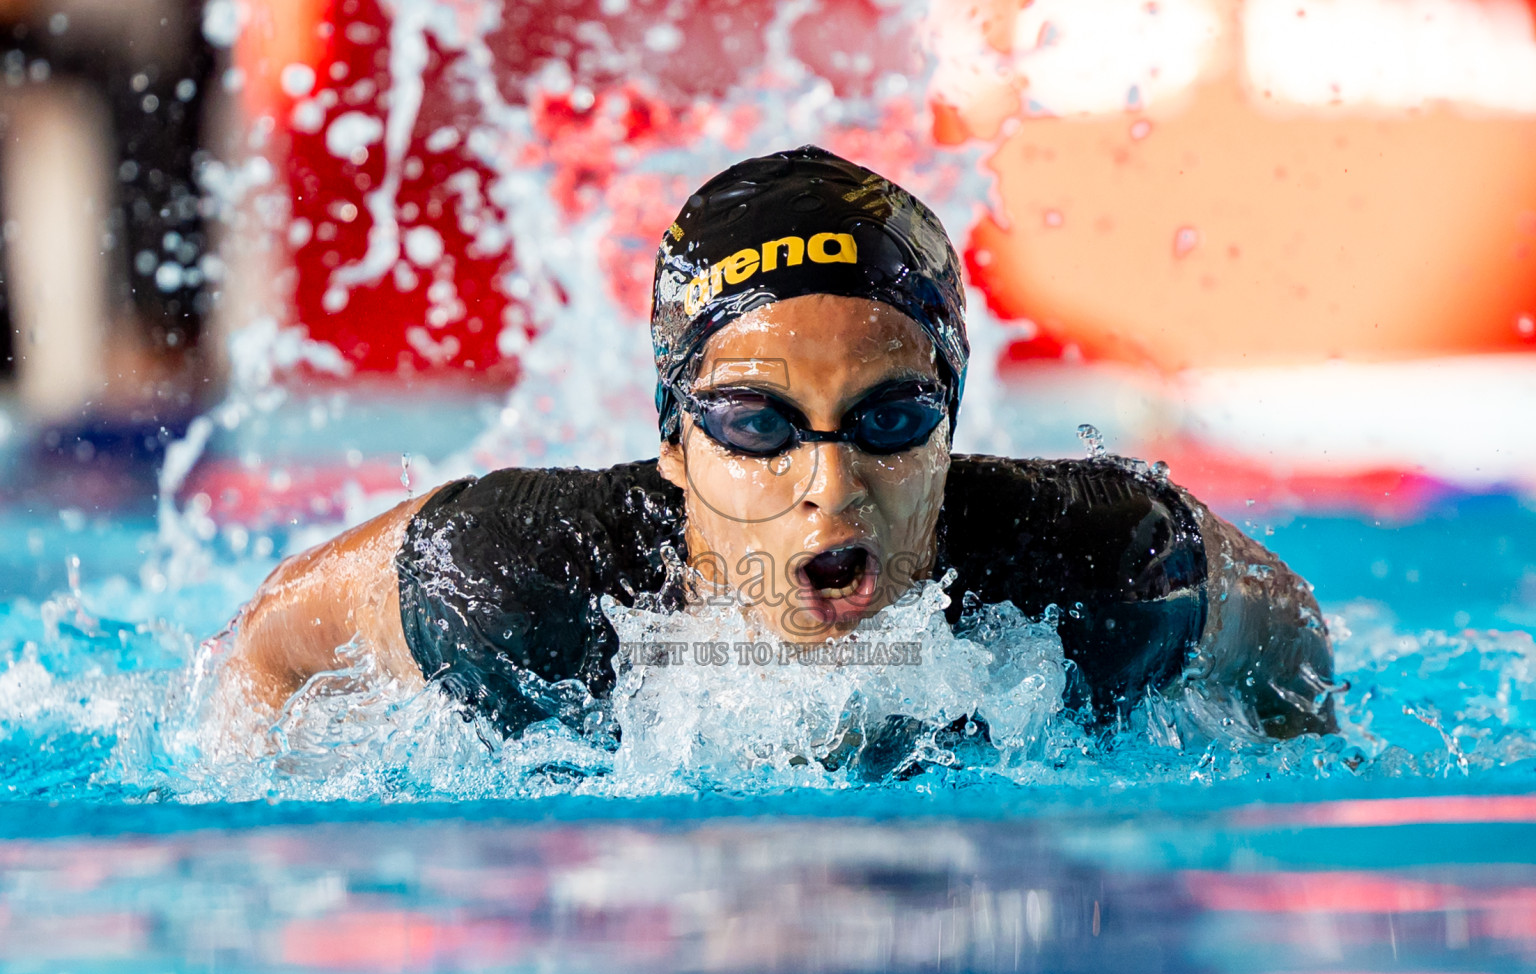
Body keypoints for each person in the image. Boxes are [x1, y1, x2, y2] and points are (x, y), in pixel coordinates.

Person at [225, 146, 1335, 771]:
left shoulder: (1100, 567)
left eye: (892, 419)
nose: (832, 485)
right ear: (673, 435)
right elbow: (272, 643)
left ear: (951, 421)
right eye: (756, 424)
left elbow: (1288, 629)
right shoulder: (514, 584)